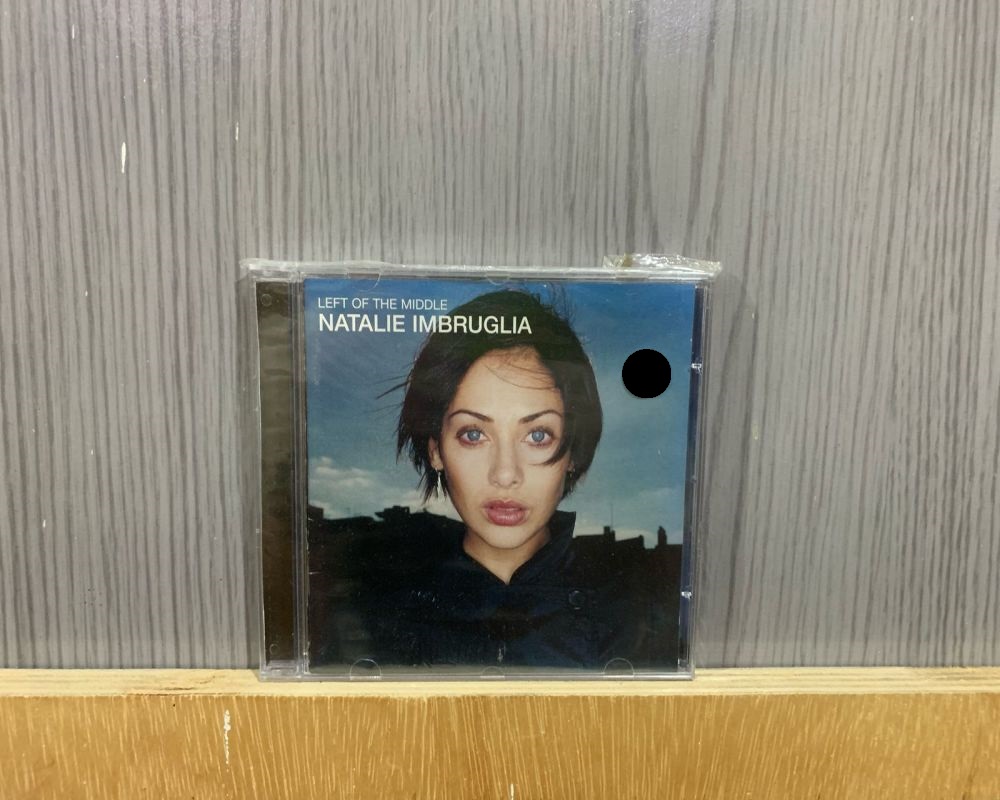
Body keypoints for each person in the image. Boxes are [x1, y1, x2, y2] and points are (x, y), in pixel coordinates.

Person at [349, 289, 670, 670]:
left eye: (538, 435)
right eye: (473, 434)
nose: (505, 474)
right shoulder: (377, 622)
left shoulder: (634, 623)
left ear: (572, 452)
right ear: (435, 450)